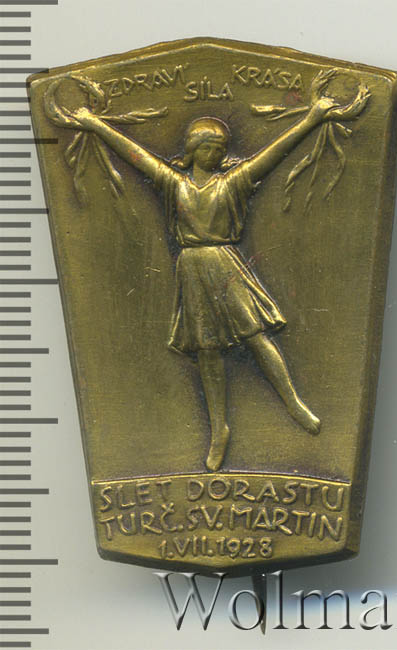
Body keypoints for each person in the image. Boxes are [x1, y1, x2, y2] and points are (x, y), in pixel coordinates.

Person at [69, 69, 369, 471]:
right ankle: (219, 429)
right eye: (208, 147)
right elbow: (135, 154)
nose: (215, 154)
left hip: (226, 265)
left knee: (257, 337)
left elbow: (272, 154)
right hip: (193, 269)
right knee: (206, 351)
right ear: (193, 150)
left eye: (220, 148)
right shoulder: (173, 184)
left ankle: (293, 402)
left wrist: (313, 118)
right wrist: (93, 124)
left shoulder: (233, 183)